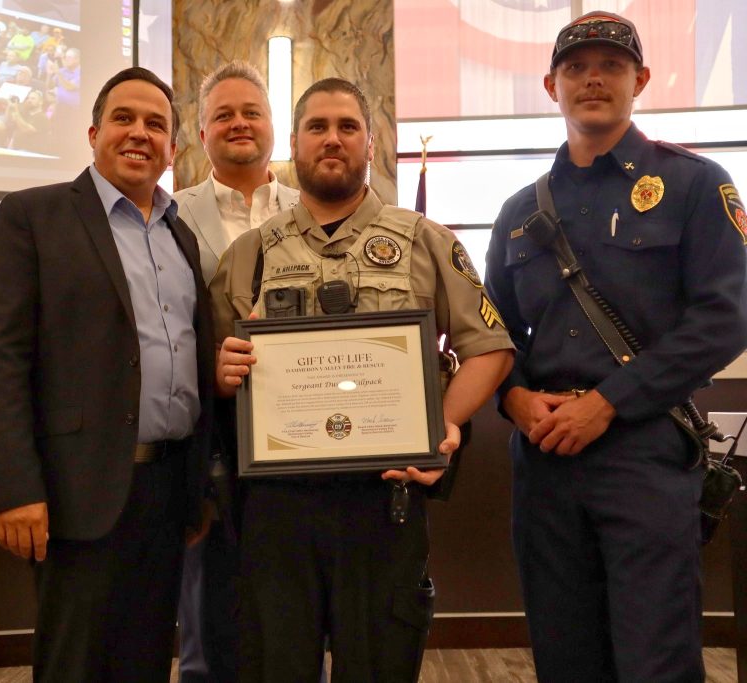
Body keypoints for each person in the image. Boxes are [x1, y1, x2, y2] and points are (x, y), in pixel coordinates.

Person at [211, 78, 514, 682]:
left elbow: (490, 348)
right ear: (293, 145)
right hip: (278, 509)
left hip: (384, 501)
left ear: (370, 144)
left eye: (348, 127)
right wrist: (223, 376)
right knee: (275, 668)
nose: (333, 140)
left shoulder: (426, 240)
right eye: (317, 127)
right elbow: (219, 374)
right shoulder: (249, 254)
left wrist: (444, 424)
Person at [484, 11, 747, 682]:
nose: (593, 79)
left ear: (642, 79)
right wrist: (513, 400)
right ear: (551, 85)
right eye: (576, 68)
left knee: (654, 659)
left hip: (644, 450)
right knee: (565, 656)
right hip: (544, 461)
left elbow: (728, 315)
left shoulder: (693, 184)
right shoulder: (519, 212)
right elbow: (493, 333)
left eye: (611, 66)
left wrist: (607, 402)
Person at [0, 66, 215, 683]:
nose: (139, 133)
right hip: (74, 490)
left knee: (143, 660)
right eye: (124, 119)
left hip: (167, 489)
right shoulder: (34, 216)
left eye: (156, 124)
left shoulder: (180, 235)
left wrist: (197, 489)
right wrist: (17, 487)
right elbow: (1, 359)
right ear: (93, 132)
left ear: (173, 148)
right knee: (74, 663)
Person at [173, 60, 298, 683]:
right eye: (223, 114)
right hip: (210, 441)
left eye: (252, 111)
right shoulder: (166, 215)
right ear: (201, 134)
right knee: (209, 612)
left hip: (305, 441)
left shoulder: (320, 207)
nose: (239, 123)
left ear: (275, 127)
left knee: (298, 614)